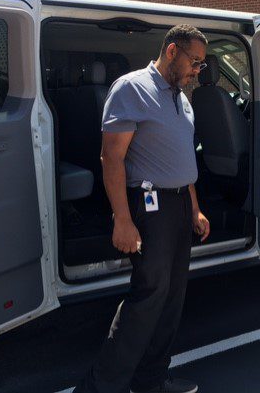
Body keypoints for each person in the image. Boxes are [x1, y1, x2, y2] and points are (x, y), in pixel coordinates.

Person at [75, 25, 211, 393]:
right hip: (149, 207)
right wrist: (122, 219)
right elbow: (111, 158)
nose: (197, 70)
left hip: (181, 203)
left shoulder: (182, 98)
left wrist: (195, 209)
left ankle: (149, 380)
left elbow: (183, 161)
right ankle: (99, 387)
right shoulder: (131, 88)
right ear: (171, 51)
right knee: (148, 297)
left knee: (171, 299)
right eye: (194, 62)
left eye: (201, 64)